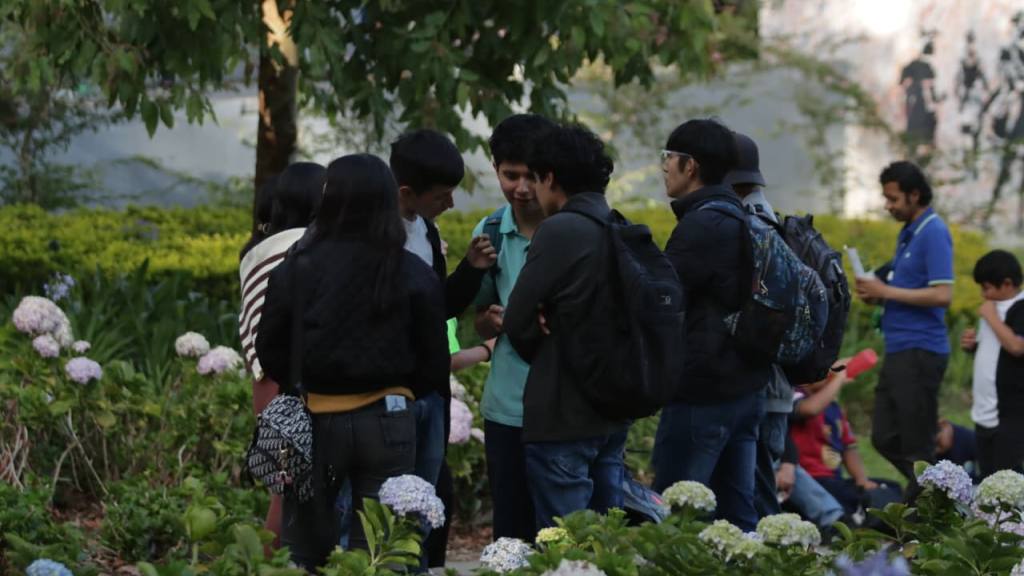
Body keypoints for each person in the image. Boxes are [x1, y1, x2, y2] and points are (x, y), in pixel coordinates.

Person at [255, 154, 450, 571]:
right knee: (381, 551)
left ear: (329, 199)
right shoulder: (413, 272)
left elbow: (269, 348)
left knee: (304, 550)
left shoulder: (298, 267)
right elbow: (435, 363)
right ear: (386, 201)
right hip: (389, 421)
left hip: (313, 421)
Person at [504, 123, 629, 530]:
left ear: (550, 178)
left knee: (568, 544)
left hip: (563, 412)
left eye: (534, 179)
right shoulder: (619, 226)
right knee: (607, 541)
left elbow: (518, 318)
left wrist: (545, 346)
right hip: (611, 409)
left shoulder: (560, 229)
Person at [651, 119, 770, 532]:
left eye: (669, 159)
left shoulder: (702, 225)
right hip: (745, 387)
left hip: (704, 392)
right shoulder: (737, 215)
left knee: (676, 516)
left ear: (691, 166)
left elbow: (662, 301)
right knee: (737, 516)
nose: (664, 168)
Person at [389, 129, 494, 568]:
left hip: (432, 390)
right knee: (391, 504)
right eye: (441, 196)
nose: (450, 204)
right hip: (393, 393)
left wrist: (470, 270)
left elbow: (437, 308)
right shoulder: (372, 237)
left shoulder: (426, 231)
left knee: (430, 499)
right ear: (406, 192)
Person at [472, 113, 555, 541]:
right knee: (511, 529)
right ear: (495, 169)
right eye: (510, 175)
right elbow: (468, 320)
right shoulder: (489, 232)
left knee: (562, 529)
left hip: (564, 406)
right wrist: (486, 321)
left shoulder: (572, 230)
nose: (521, 189)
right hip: (506, 404)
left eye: (531, 176)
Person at [238, 163, 324, 548]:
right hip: (289, 383)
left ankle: (268, 562)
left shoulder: (258, 252)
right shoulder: (300, 250)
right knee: (290, 490)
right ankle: (268, 563)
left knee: (286, 485)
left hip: (265, 382)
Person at [855, 161, 953, 496]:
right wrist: (877, 295)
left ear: (914, 195)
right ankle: (939, 491)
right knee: (883, 437)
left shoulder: (934, 231)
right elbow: (904, 286)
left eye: (893, 199)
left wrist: (886, 292)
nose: (888, 206)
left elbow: (943, 294)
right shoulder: (908, 233)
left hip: (920, 350)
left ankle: (931, 509)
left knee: (917, 445)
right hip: (900, 350)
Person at [724, 131, 795, 520]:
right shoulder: (769, 219)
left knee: (756, 496)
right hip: (774, 385)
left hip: (765, 385)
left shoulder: (754, 227)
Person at [788, 366, 901, 518]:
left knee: (891, 490)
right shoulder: (795, 396)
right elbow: (811, 409)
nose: (828, 374)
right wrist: (839, 378)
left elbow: (849, 448)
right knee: (855, 503)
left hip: (834, 479)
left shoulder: (834, 408)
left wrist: (862, 481)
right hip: (810, 480)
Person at [961, 249, 1024, 477]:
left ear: (1007, 284)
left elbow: (1017, 347)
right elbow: (997, 350)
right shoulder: (995, 309)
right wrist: (974, 347)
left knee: (1007, 480)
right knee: (987, 478)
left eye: (986, 288)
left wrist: (991, 317)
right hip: (984, 412)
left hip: (1009, 417)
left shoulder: (1019, 308)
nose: (983, 295)